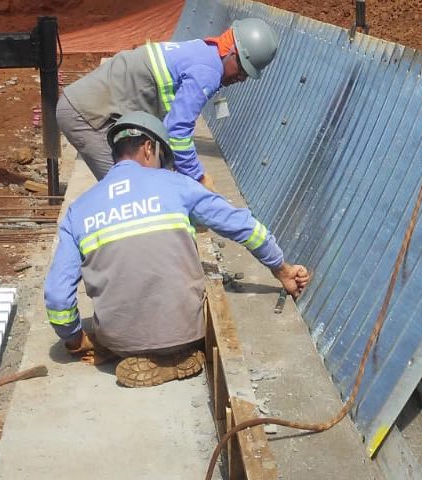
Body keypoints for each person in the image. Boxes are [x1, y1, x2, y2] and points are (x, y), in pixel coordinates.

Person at [44, 110, 311, 388]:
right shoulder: (178, 185)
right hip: (183, 332)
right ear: (149, 148)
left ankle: (128, 346)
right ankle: (176, 358)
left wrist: (76, 341)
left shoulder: (80, 210)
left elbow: (56, 296)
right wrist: (282, 269)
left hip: (116, 339)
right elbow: (244, 227)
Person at [56, 18, 279, 184]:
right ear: (231, 52)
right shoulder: (207, 72)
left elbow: (167, 129)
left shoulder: (202, 51)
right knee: (129, 191)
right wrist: (198, 177)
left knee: (153, 178)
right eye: (241, 69)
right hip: (84, 115)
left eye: (247, 75)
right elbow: (177, 132)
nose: (241, 78)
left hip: (96, 109)